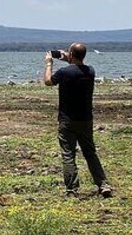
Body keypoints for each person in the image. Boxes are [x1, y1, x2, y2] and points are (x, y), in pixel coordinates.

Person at [44, 42, 113, 198]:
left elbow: (48, 81)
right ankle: (103, 184)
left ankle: (71, 190)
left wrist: (49, 64)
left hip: (67, 120)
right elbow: (77, 68)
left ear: (71, 55)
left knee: (68, 155)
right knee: (90, 153)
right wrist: (70, 58)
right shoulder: (90, 71)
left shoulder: (64, 72)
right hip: (85, 120)